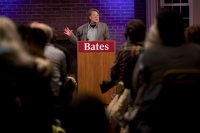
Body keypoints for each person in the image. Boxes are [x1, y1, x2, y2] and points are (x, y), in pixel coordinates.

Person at [129, 8, 200, 133]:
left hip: (157, 122)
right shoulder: (198, 52)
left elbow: (135, 87)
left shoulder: (148, 56)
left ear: (159, 31)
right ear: (183, 26)